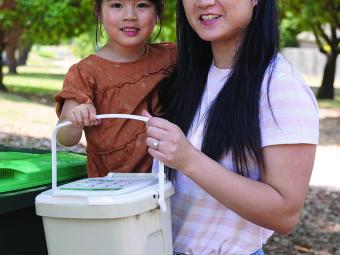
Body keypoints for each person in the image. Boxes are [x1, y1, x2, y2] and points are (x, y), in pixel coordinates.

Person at [143, 0, 319, 254]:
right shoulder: (187, 76)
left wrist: (188, 159)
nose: (203, 2)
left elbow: (284, 214)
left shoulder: (280, 86)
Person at [55, 0, 176, 177]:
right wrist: (75, 121)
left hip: (166, 186)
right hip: (109, 191)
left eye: (142, 5)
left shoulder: (172, 57)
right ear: (99, 12)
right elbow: (64, 137)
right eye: (117, 5)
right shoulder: (85, 72)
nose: (130, 16)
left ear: (158, 12)